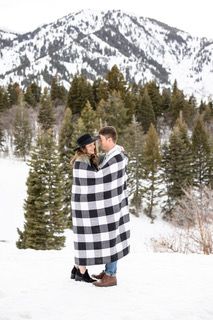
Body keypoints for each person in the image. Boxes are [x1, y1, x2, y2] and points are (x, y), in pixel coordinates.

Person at [71, 127, 130, 287]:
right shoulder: (84, 160)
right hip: (103, 205)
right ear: (83, 148)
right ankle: (104, 271)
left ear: (109, 140)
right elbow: (95, 175)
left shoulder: (115, 155)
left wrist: (120, 150)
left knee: (111, 237)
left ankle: (110, 274)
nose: (96, 145)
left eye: (100, 141)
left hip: (111, 204)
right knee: (108, 237)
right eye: (91, 145)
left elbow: (103, 172)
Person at [70, 133, 99, 283]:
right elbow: (91, 180)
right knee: (84, 237)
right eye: (90, 145)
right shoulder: (81, 161)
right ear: (83, 148)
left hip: (82, 203)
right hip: (82, 204)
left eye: (93, 144)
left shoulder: (87, 159)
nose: (93, 146)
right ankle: (82, 271)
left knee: (83, 236)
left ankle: (76, 268)